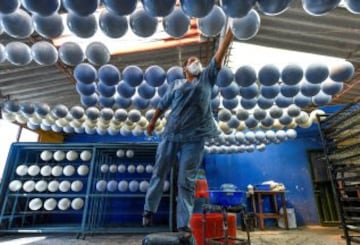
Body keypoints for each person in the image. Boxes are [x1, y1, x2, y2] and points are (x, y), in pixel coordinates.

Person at [142, 27, 234, 234]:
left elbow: (219, 55)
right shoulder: (176, 84)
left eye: (197, 60)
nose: (196, 62)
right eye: (191, 60)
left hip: (195, 139)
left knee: (186, 181)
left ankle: (183, 224)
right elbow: (162, 105)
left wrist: (231, 32)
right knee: (160, 172)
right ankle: (149, 210)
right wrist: (152, 123)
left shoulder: (207, 78)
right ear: (185, 68)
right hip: (171, 135)